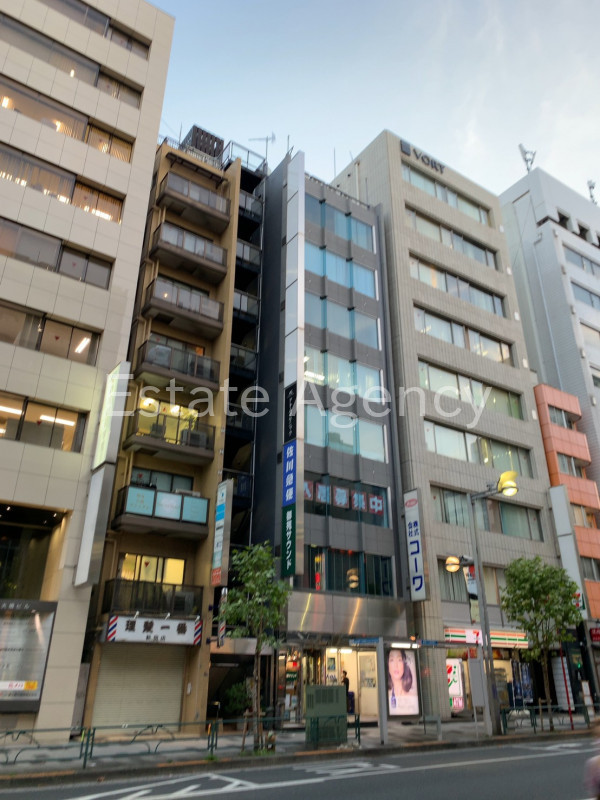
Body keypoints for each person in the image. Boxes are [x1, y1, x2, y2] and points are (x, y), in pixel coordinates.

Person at [387, 649, 415, 714]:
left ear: (404, 664)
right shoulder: (385, 697)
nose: (396, 665)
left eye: (399, 660)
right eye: (392, 660)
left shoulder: (413, 697)